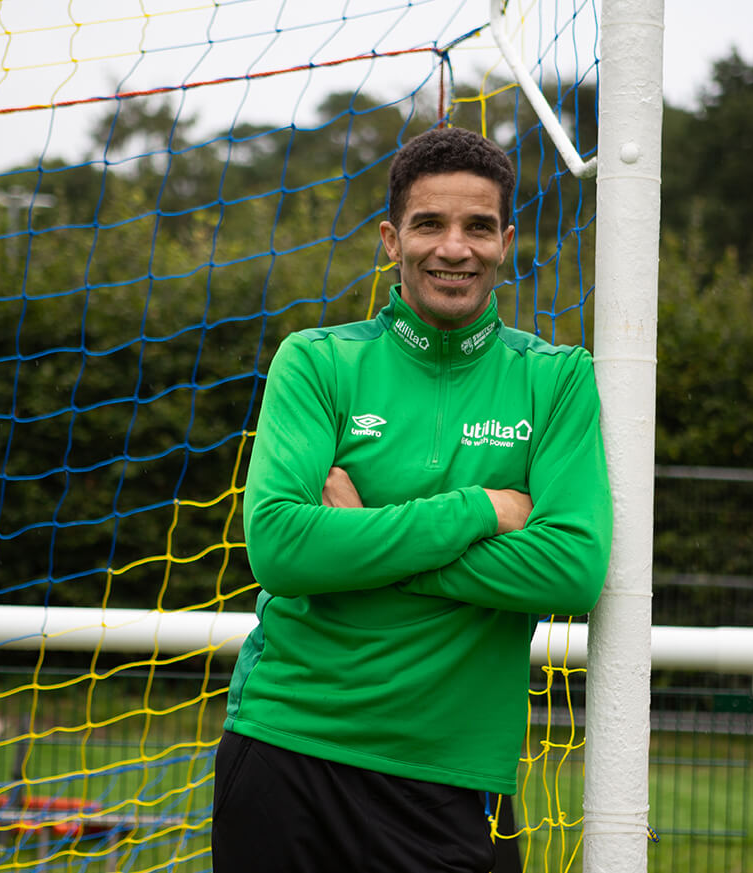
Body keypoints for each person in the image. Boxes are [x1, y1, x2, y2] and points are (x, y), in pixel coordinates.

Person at [211, 126, 612, 872]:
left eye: (477, 227)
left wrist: (362, 537)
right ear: (392, 240)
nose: (453, 248)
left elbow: (571, 569)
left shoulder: (557, 379)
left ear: (507, 241)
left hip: (455, 782)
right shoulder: (317, 361)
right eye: (429, 224)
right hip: (287, 746)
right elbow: (280, 547)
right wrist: (478, 511)